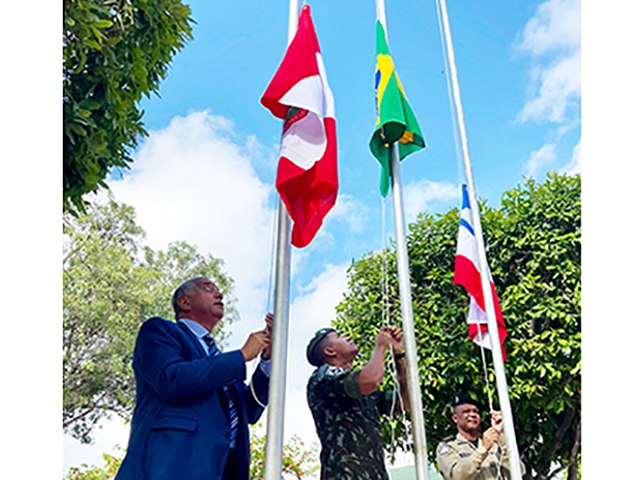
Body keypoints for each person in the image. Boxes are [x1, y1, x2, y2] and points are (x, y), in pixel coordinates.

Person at [115, 276, 272, 480]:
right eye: (208, 288)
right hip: (170, 466)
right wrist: (241, 356)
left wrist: (266, 360)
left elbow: (250, 411)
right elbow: (170, 379)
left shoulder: (218, 362)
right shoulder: (160, 331)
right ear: (184, 302)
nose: (219, 294)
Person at [306, 325, 409, 480]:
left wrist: (399, 356)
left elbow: (403, 403)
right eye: (339, 336)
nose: (347, 337)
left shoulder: (361, 390)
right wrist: (380, 347)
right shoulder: (323, 376)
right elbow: (371, 380)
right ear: (329, 351)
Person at [436, 395, 525, 480]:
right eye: (466, 412)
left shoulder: (494, 444)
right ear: (455, 418)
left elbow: (519, 471)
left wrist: (500, 434)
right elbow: (457, 476)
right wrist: (483, 449)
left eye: (475, 411)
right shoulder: (448, 447)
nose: (472, 415)